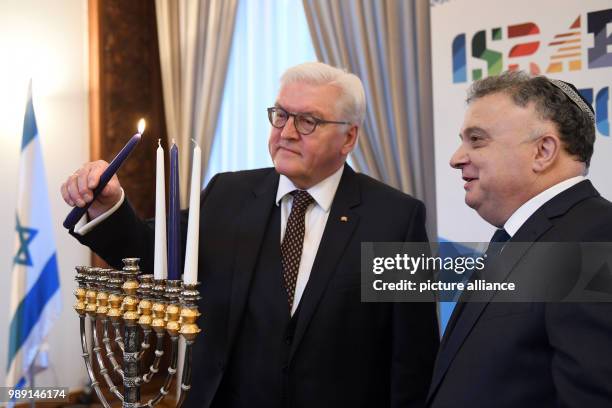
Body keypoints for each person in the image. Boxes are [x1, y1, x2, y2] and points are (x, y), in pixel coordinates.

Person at [62, 62, 439, 408]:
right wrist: (107, 205)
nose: (287, 132)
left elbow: (411, 360)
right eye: (280, 116)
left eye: (308, 121)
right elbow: (154, 256)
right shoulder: (228, 195)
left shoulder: (395, 220)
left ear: (348, 137)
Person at [427, 71, 612, 407]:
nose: (456, 158)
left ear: (543, 151)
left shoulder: (596, 237)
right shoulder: (519, 237)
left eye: (477, 139)